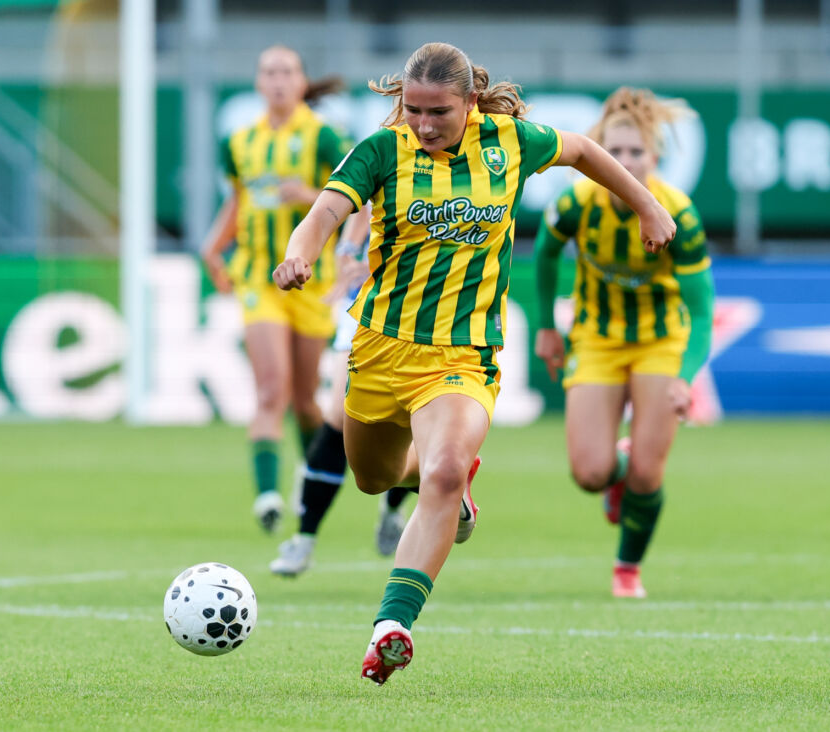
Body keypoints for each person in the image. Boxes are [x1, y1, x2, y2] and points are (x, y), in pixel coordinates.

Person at [273, 42, 676, 685]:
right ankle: (447, 492)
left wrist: (646, 203)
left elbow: (583, 150)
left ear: (469, 103)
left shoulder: (510, 142)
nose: (424, 124)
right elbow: (327, 209)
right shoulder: (382, 150)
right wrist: (300, 253)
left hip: (464, 356)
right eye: (413, 110)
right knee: (375, 478)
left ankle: (391, 627)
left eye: (438, 111)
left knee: (443, 471)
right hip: (380, 347)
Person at [533, 87, 713, 599]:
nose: (627, 161)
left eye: (638, 152)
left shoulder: (680, 214)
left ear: (656, 159)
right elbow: (545, 256)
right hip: (596, 339)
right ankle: (617, 472)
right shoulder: (576, 203)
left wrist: (686, 375)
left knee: (647, 475)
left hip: (660, 342)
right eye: (617, 152)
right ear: (598, 153)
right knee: (589, 473)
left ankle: (627, 569)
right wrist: (547, 326)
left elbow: (701, 310)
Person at [200, 45, 350, 533]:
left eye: (287, 71)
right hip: (259, 279)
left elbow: (357, 201)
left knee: (307, 400)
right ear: (259, 83)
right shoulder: (239, 142)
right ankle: (266, 495)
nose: (279, 80)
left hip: (312, 282)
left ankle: (311, 484)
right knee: (271, 390)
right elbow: (240, 205)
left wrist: (309, 196)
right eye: (269, 72)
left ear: (303, 82)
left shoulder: (324, 138)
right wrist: (212, 247)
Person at [270, 206, 414, 576]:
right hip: (365, 307)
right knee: (338, 418)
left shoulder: (462, 168)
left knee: (407, 428)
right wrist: (349, 256)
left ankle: (395, 508)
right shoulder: (384, 152)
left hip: (425, 314)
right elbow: (355, 206)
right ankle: (304, 540)